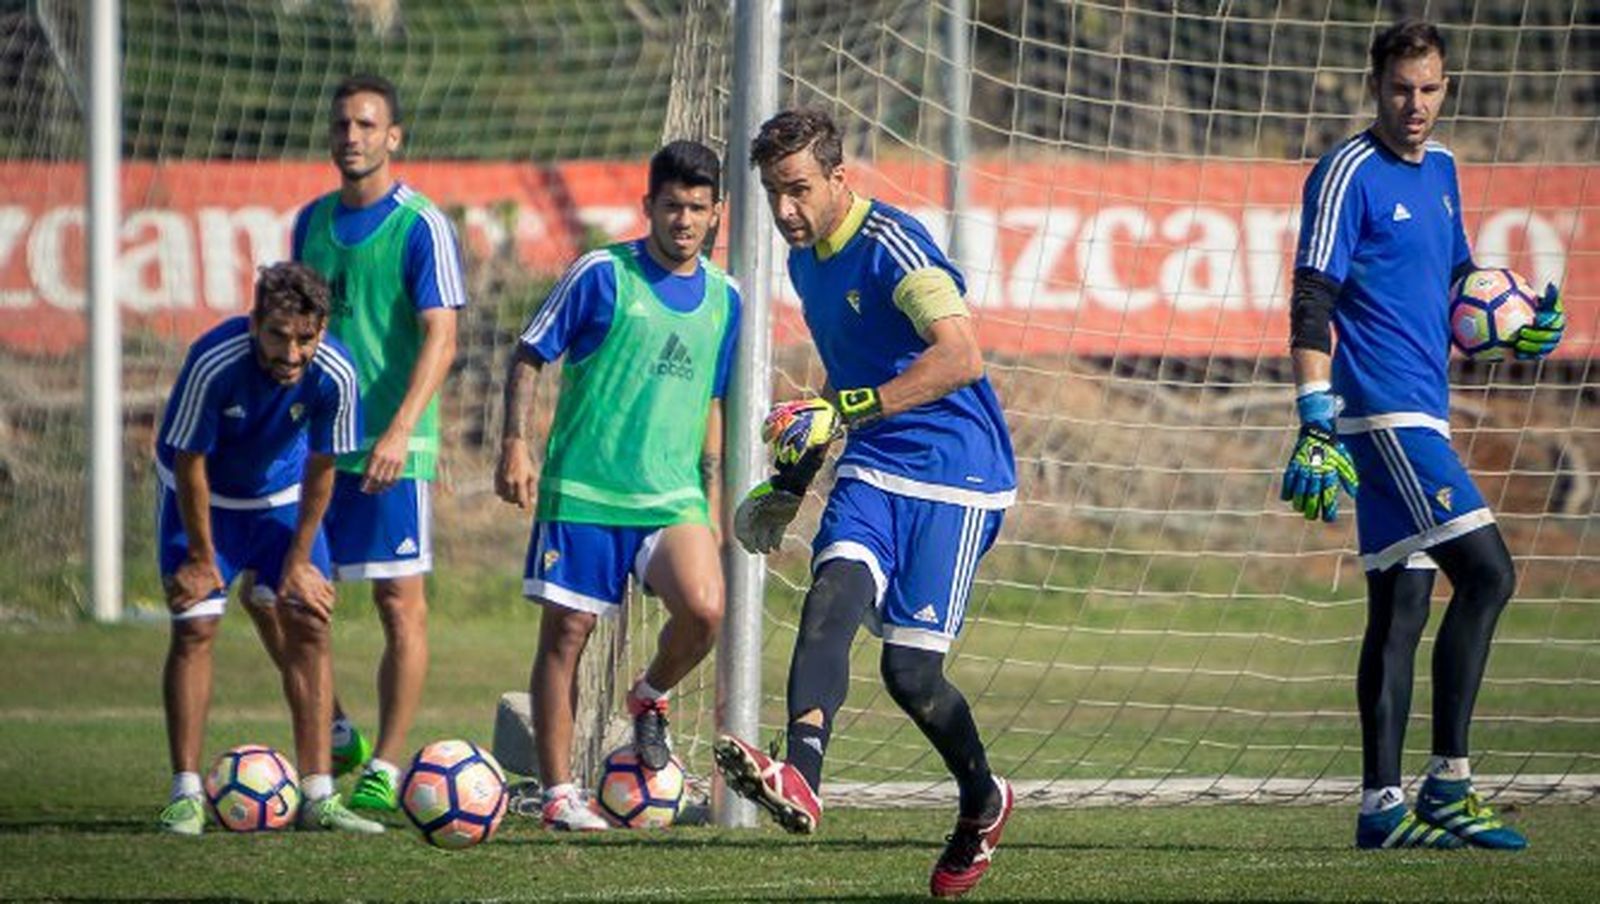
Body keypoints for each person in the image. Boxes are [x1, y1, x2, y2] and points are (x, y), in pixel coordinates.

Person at [713, 108, 1017, 899]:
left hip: (957, 471)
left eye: (798, 190)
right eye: (773, 193)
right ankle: (803, 775)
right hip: (876, 463)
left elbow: (961, 356)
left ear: (839, 179)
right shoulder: (806, 261)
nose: (784, 210)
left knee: (911, 675)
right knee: (831, 592)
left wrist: (841, 414)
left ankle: (983, 803)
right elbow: (842, 377)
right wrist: (791, 485)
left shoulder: (896, 246)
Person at [1281, 19, 1564, 851]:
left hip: (1425, 407)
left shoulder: (1442, 169)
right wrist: (1312, 419)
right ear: (1376, 86)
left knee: (1401, 610)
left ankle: (1380, 807)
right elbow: (1312, 298)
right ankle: (1450, 784)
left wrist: (1509, 329)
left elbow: (1454, 281)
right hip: (1384, 416)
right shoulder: (1344, 174)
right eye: (1403, 88)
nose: (1417, 105)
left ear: (1446, 87)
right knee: (1490, 575)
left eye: (1430, 88)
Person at [495, 140, 740, 832]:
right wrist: (515, 444)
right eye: (671, 206)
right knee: (567, 635)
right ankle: (559, 794)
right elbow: (529, 353)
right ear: (648, 207)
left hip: (671, 497)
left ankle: (649, 697)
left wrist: (713, 501)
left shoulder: (726, 298)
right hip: (587, 490)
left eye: (697, 208)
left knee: (705, 609)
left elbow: (715, 403)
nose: (684, 220)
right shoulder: (601, 274)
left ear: (716, 212)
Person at [289, 73, 468, 813]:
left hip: (394, 449)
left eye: (367, 125)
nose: (352, 136)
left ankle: (386, 768)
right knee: (289, 599)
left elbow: (444, 336)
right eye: (342, 125)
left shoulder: (420, 224)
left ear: (394, 137)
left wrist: (399, 430)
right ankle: (333, 734)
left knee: (399, 604)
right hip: (316, 449)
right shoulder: (309, 223)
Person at [155, 262, 382, 836]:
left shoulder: (336, 372)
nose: (291, 352)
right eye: (278, 335)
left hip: (280, 495)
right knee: (195, 625)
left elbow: (323, 466)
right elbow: (189, 462)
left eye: (306, 337)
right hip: (203, 494)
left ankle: (319, 797)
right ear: (255, 321)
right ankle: (186, 794)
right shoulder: (214, 361)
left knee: (309, 622)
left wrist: (300, 561)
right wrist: (204, 558)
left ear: (322, 328)